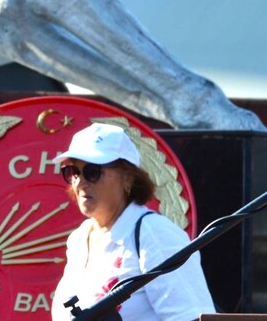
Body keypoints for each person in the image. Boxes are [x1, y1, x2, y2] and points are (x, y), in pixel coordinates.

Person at [50, 123, 216, 320]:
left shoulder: (155, 233)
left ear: (127, 178)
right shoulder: (79, 239)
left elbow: (191, 317)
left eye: (92, 171)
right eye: (74, 172)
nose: (80, 182)